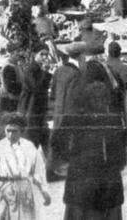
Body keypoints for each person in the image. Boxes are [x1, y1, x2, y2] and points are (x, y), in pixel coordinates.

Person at [60, 81, 127, 220]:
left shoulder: (114, 119)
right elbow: (59, 141)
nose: (100, 103)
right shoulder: (76, 119)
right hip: (83, 182)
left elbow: (121, 148)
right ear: (87, 101)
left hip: (108, 182)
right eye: (95, 99)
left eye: (103, 99)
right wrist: (73, 161)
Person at [0, 114, 52, 220]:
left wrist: (44, 191)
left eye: (14, 131)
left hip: (25, 191)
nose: (10, 135)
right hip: (6, 190)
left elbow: (38, 170)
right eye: (8, 130)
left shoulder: (29, 146)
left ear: (21, 131)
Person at [49, 44, 84, 181]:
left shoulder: (59, 70)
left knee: (56, 138)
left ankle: (53, 169)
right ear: (81, 56)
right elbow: (75, 97)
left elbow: (52, 94)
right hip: (71, 112)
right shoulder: (77, 73)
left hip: (59, 111)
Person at [18, 50, 52, 149]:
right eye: (42, 54)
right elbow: (36, 87)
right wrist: (45, 72)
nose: (45, 57)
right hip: (30, 108)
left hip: (38, 109)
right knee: (31, 141)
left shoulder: (39, 69)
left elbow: (44, 86)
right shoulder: (30, 69)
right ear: (34, 55)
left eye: (46, 54)